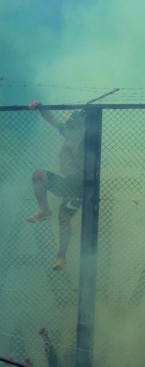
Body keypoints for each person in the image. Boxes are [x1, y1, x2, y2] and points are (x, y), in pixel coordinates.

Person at [27, 101, 84, 271]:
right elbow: (51, 119)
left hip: (81, 187)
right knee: (38, 175)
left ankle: (61, 256)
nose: (69, 125)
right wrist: (41, 107)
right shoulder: (67, 132)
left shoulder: (87, 139)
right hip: (67, 184)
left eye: (73, 123)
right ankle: (44, 210)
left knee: (64, 218)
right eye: (69, 123)